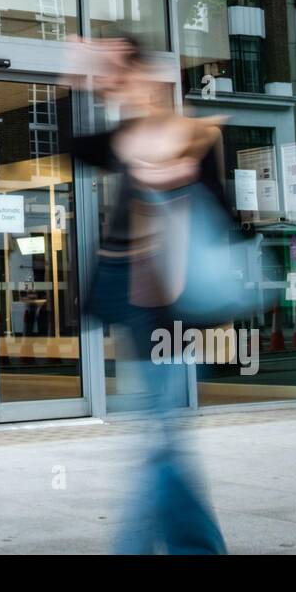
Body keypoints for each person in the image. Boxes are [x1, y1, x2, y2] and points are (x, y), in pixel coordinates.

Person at [67, 36, 232, 555]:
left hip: (169, 301)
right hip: (128, 299)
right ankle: (199, 546)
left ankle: (153, 547)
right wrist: (73, 79)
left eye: (125, 73)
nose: (120, 85)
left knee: (160, 439)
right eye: (115, 76)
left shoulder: (192, 136)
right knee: (162, 437)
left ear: (149, 78)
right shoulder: (124, 136)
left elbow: (224, 220)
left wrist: (177, 182)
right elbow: (76, 147)